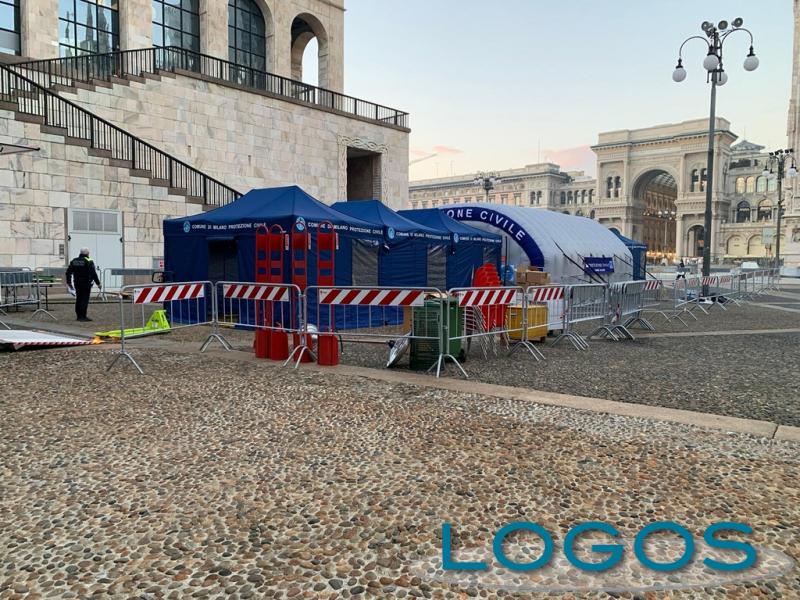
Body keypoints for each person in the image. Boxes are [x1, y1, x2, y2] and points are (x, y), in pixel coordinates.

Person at [65, 247, 101, 321]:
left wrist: (69, 282)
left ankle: (78, 316)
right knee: (84, 299)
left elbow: (68, 272)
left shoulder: (74, 261)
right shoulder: (89, 261)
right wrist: (98, 283)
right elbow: (93, 273)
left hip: (77, 283)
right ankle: (83, 316)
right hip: (86, 283)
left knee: (78, 299)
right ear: (87, 253)